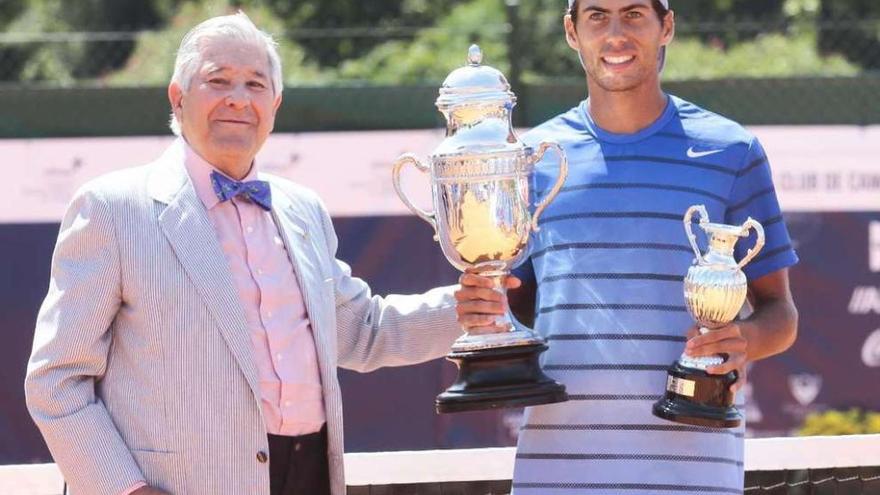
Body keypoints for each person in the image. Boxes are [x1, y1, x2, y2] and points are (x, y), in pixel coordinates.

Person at [24, 12, 461, 495]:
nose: (238, 97)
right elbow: (57, 381)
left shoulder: (303, 209)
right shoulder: (111, 208)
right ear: (178, 96)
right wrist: (127, 491)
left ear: (274, 105)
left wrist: (469, 308)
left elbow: (362, 331)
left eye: (255, 84)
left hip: (311, 474)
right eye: (218, 80)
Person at [455, 0, 799, 492]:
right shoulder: (530, 160)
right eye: (597, 16)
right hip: (558, 475)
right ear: (572, 32)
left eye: (634, 13)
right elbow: (517, 314)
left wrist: (742, 343)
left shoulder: (732, 152)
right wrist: (485, 314)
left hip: (695, 474)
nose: (616, 34)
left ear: (667, 27)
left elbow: (781, 314)